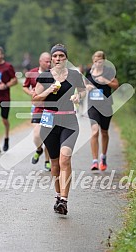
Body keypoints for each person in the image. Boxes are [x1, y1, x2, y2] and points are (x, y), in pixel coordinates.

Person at [32, 44, 85, 215]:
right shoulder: (45, 77)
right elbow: (35, 101)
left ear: (66, 58)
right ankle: (57, 195)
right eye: (55, 56)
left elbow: (83, 91)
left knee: (64, 159)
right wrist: (49, 89)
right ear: (51, 59)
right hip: (49, 122)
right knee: (54, 164)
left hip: (69, 120)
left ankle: (64, 200)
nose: (58, 59)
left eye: (61, 56)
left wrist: (78, 96)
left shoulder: (75, 75)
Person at [85, 50, 119, 171]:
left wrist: (106, 81)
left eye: (99, 61)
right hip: (92, 106)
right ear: (93, 60)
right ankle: (94, 161)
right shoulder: (89, 71)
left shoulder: (109, 71)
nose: (97, 63)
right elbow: (84, 84)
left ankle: (103, 157)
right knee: (94, 131)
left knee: (104, 132)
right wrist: (87, 86)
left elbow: (116, 85)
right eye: (95, 60)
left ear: (104, 61)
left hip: (106, 106)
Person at [23, 52, 51, 171]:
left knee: (48, 135)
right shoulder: (33, 73)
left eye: (50, 61)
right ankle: (39, 149)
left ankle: (47, 161)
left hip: (50, 108)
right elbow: (25, 86)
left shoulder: (54, 74)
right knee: (37, 134)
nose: (49, 63)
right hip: (37, 107)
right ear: (40, 62)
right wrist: (32, 93)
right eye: (47, 61)